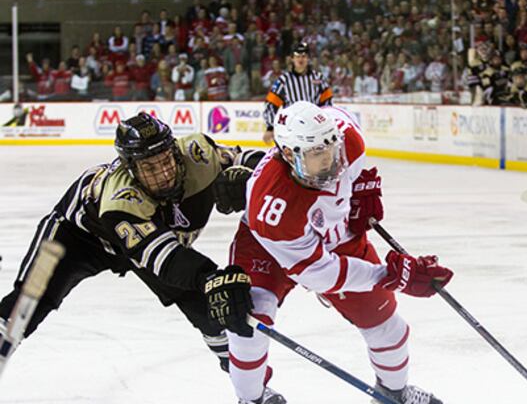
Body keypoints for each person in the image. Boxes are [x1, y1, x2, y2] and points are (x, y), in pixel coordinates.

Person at [0, 114, 263, 380]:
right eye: (149, 168)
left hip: (148, 233)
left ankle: (250, 387)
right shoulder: (120, 201)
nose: (163, 175)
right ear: (130, 168)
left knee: (212, 309)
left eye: (166, 161)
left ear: (175, 150)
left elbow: (258, 164)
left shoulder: (197, 153)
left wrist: (259, 179)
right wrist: (210, 277)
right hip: (78, 236)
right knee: (28, 304)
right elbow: (165, 259)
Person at [224, 101, 453, 404]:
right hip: (268, 248)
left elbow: (350, 155)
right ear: (289, 155)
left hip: (336, 235)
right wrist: (389, 275)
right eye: (317, 154)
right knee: (250, 320)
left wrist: (361, 189)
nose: (330, 161)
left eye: (332, 150)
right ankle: (252, 399)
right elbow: (321, 275)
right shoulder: (272, 208)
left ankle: (393, 393)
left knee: (388, 327)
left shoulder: (348, 140)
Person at [262, 42, 333, 144]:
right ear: (292, 58)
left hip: (314, 129)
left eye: (304, 56)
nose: (301, 59)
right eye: (297, 56)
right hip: (292, 130)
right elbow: (270, 104)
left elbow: (328, 104)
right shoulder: (284, 80)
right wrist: (270, 127)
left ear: (308, 58)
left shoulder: (318, 78)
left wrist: (325, 124)